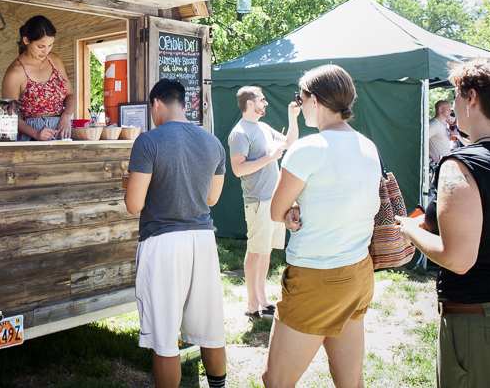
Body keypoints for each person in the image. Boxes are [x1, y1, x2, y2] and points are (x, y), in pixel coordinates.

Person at [396, 53, 490, 388]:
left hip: (485, 326)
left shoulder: (460, 164)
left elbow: (457, 259)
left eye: (456, 95)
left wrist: (409, 230)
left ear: (472, 97)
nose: (453, 103)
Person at [263, 64, 380, 388]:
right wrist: (300, 208)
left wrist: (291, 211)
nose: (299, 106)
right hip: (358, 273)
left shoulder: (309, 147)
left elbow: (276, 210)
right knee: (350, 381)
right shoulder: (368, 145)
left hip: (316, 276)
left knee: (276, 381)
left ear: (313, 100)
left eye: (300, 99)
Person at [125, 79, 228, 388]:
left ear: (156, 103)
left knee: (165, 337)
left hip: (164, 243)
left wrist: (128, 184)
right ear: (184, 104)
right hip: (203, 239)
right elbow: (211, 199)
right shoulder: (213, 142)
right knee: (210, 328)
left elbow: (134, 204)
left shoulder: (148, 141)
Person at [227, 86, 299, 318]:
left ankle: (263, 300)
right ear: (250, 103)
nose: (265, 103)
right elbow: (238, 169)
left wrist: (292, 116)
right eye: (262, 100)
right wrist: (269, 158)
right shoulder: (239, 133)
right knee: (256, 250)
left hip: (274, 198)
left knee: (266, 250)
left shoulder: (264, 127)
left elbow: (290, 142)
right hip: (258, 200)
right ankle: (251, 305)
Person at [2, 15, 75, 141]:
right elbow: (8, 115)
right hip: (33, 135)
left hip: (64, 132)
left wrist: (66, 116)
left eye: (50, 45)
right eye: (40, 46)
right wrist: (36, 133)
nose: (45, 51)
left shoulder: (54, 60)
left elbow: (71, 95)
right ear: (26, 40)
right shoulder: (15, 72)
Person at [429, 99, 454, 164]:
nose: (451, 111)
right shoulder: (434, 124)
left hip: (446, 163)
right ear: (440, 109)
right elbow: (421, 141)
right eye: (448, 108)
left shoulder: (445, 124)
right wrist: (434, 158)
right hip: (439, 164)